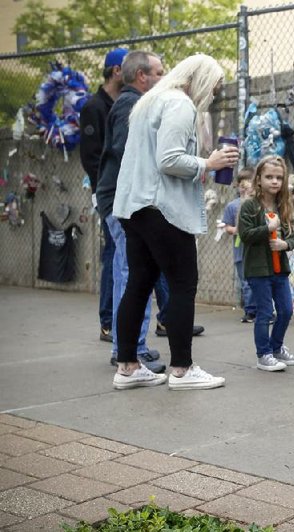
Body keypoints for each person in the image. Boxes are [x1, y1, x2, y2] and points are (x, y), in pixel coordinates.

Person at [111, 54, 237, 391]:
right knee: (183, 283)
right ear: (199, 80)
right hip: (161, 208)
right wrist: (207, 163)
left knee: (139, 282)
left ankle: (127, 366)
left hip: (133, 205)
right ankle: (182, 368)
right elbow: (169, 160)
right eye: (213, 86)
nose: (213, 93)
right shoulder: (180, 104)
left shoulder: (149, 102)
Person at [96, 50, 166, 373]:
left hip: (116, 200)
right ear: (142, 76)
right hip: (121, 202)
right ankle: (130, 348)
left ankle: (126, 346)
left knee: (127, 270)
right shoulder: (130, 105)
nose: (163, 79)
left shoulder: (128, 104)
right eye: (159, 73)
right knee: (131, 272)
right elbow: (129, 154)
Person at [238, 155, 294, 371]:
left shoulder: (283, 205)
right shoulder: (250, 206)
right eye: (269, 177)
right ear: (258, 179)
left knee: (285, 311)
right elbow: (245, 234)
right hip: (258, 270)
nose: (274, 181)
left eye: (278, 177)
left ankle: (276, 348)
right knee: (265, 313)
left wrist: (285, 244)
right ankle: (263, 354)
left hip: (279, 269)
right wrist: (268, 228)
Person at [80, 47, 127, 344]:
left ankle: (165, 318)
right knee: (113, 253)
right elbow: (90, 156)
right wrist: (106, 189)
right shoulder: (94, 107)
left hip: (130, 192)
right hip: (109, 194)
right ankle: (108, 323)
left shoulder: (124, 103)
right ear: (116, 71)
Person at [221, 168, 258, 323]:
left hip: (256, 249)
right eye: (243, 184)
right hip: (241, 249)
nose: (245, 188)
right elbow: (226, 226)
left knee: (256, 280)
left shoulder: (258, 204)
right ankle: (251, 311)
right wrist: (238, 230)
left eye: (249, 184)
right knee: (246, 280)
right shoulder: (233, 206)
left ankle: (258, 309)